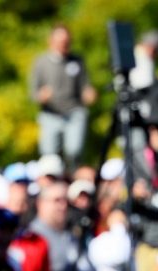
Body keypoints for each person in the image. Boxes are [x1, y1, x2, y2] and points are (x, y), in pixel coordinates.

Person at [30, 24, 97, 172]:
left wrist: (89, 93)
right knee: (49, 155)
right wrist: (41, 96)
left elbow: (85, 85)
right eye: (60, 41)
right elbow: (33, 92)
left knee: (74, 151)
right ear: (51, 41)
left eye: (67, 41)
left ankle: (73, 178)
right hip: (51, 114)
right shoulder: (41, 62)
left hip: (74, 112)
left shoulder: (77, 61)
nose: (64, 45)